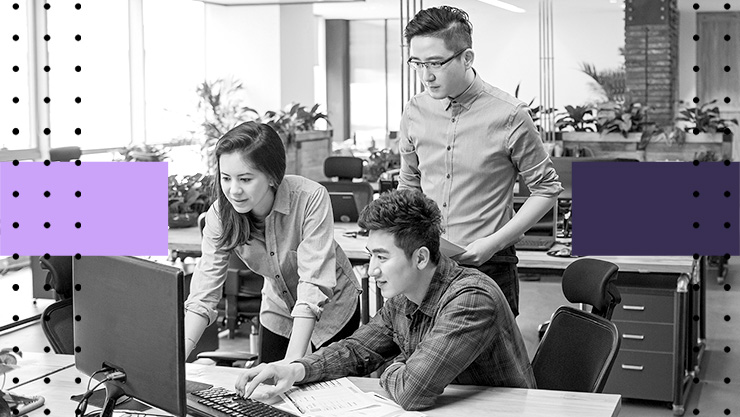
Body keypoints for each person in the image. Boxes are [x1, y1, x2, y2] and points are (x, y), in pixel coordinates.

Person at [234, 189, 535, 411]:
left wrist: (392, 364)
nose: (373, 269)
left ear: (420, 257)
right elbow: (356, 350)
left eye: (382, 257)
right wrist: (295, 369)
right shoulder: (403, 295)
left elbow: (412, 391)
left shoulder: (471, 299)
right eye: (370, 255)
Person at [397, 6, 563, 317]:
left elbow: (547, 189)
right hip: (427, 264)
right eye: (417, 63)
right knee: (425, 363)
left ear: (467, 58)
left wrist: (493, 243)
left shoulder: (510, 114)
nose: (426, 76)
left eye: (436, 63)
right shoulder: (415, 110)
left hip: (490, 265)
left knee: (489, 366)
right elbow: (409, 182)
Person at [184, 121, 361, 363]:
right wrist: (179, 354)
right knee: (267, 388)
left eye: (245, 179)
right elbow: (204, 291)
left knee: (323, 391)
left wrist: (291, 365)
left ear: (271, 177)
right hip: (278, 307)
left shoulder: (310, 199)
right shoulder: (221, 215)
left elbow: (312, 286)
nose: (233, 190)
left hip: (333, 308)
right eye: (226, 178)